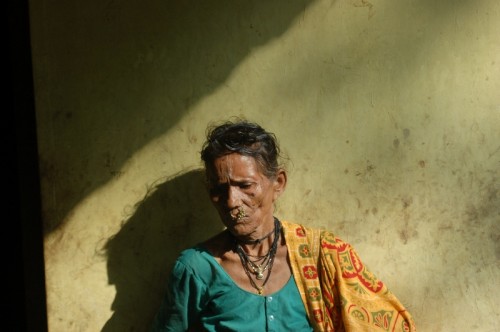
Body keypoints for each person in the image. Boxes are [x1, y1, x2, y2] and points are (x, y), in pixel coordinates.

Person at [150, 119, 416, 331]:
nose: (232, 202)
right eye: (219, 190)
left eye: (245, 186)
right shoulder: (197, 268)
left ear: (277, 183)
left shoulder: (320, 256)